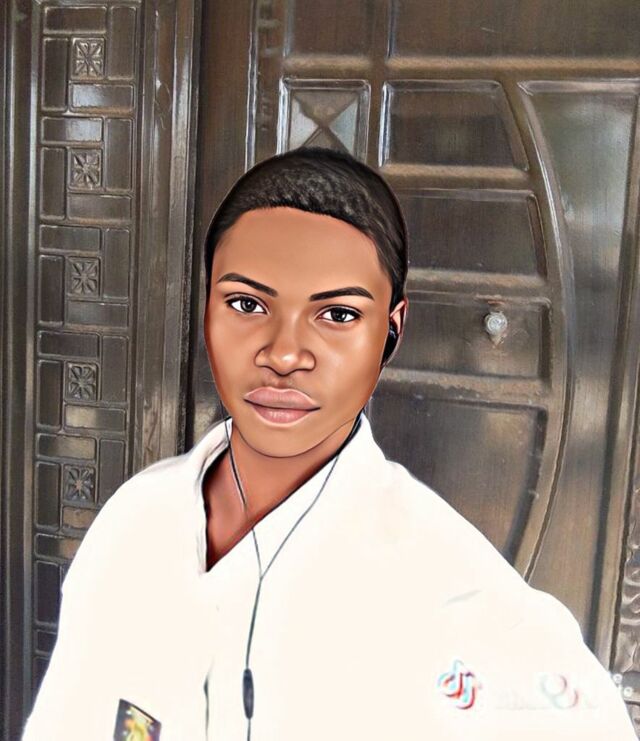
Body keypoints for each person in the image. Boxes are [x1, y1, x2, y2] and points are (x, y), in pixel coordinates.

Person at [23, 148, 635, 740]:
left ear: (390, 332)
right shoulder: (134, 519)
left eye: (337, 315)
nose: (284, 353)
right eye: (246, 303)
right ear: (205, 309)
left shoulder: (456, 598)